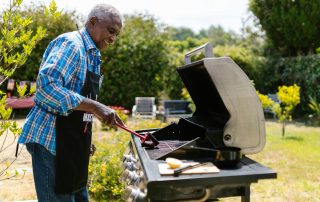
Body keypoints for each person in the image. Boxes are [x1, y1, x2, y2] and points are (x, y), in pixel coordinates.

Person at [17, 4, 124, 202]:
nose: (113, 39)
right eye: (111, 31)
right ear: (93, 22)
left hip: (72, 142)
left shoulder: (93, 55)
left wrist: (84, 141)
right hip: (51, 139)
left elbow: (81, 100)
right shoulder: (71, 44)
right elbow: (47, 88)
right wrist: (96, 107)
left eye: (116, 34)